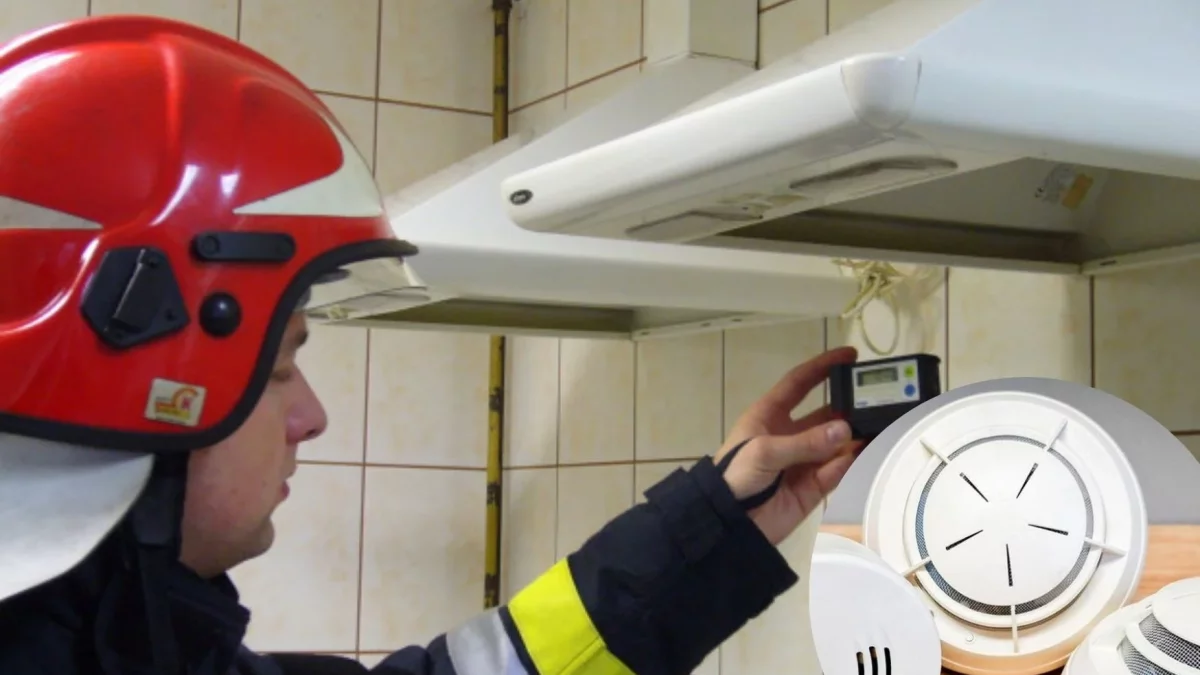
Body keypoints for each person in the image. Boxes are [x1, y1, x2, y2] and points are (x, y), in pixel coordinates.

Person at [0, 14, 865, 675]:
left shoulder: (127, 642)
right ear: (145, 389)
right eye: (280, 366)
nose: (312, 417)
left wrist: (711, 525)